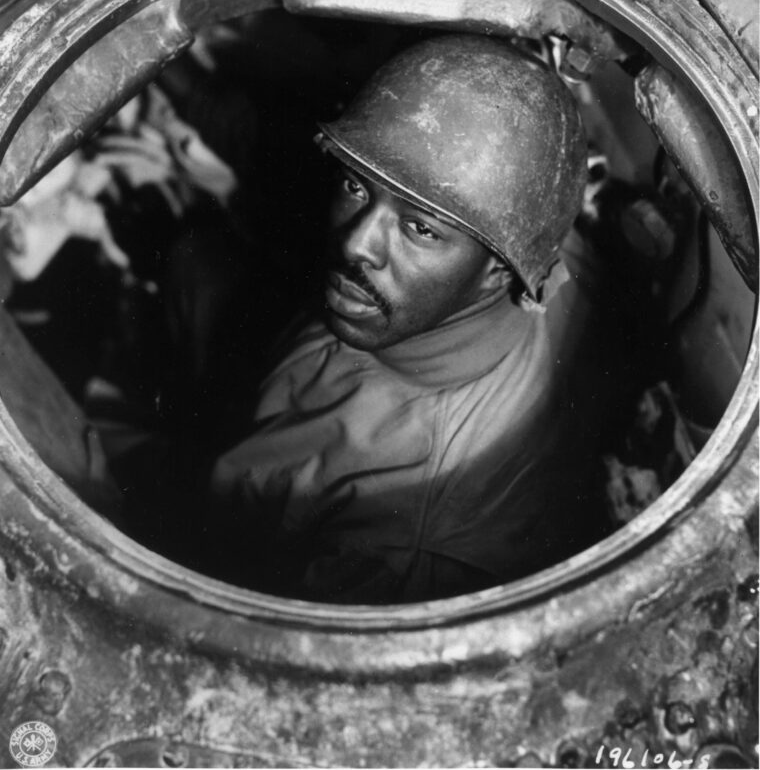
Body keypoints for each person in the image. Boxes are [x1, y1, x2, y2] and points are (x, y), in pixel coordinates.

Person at [208, 33, 607, 604]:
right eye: (355, 186)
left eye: (421, 228)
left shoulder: (404, 546)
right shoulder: (529, 239)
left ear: (499, 272)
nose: (356, 244)